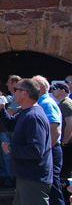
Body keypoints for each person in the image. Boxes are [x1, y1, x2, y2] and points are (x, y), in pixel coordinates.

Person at [2, 78, 53, 205]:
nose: (13, 93)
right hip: (26, 177)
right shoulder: (26, 112)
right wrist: (0, 109)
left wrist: (11, 149)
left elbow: (36, 150)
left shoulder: (33, 116)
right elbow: (10, 124)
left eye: (16, 90)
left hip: (34, 179)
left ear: (25, 93)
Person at [33, 75, 65, 205]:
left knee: (52, 185)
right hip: (49, 149)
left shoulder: (46, 103)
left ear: (40, 88)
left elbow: (55, 129)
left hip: (51, 149)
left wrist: (46, 150)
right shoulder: (42, 102)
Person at [51, 83, 72, 182]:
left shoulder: (65, 104)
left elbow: (70, 123)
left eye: (56, 89)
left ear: (63, 90)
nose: (53, 91)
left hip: (67, 143)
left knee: (64, 172)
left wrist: (65, 141)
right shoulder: (67, 102)